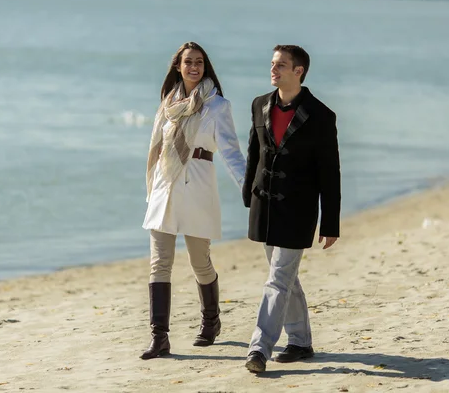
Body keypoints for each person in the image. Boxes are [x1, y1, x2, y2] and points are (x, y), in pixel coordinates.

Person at [140, 42, 246, 360]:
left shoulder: (217, 106)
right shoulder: (167, 104)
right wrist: (152, 187)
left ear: (205, 67)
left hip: (198, 185)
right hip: (166, 187)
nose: (194, 67)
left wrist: (247, 187)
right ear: (178, 66)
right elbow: (156, 149)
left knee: (200, 261)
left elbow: (230, 152)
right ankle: (160, 338)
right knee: (159, 263)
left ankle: (211, 321)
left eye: (199, 62)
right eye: (188, 62)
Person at [242, 45, 341, 373]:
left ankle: (259, 348)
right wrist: (248, 196)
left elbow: (329, 172)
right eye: (272, 64)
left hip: (298, 211)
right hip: (265, 205)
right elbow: (253, 155)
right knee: (284, 277)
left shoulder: (321, 116)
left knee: (278, 279)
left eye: (281, 65)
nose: (274, 69)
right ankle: (300, 341)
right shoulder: (259, 105)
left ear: (299, 71)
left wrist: (330, 222)